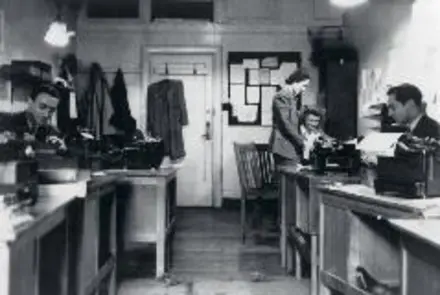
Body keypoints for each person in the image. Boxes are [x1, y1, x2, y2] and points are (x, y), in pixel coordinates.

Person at [0, 83, 66, 149]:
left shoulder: (53, 133)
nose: (46, 115)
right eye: (42, 107)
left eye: (52, 110)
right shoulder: (6, 123)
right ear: (30, 102)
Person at [269, 68, 311, 167]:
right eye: (303, 86)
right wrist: (302, 142)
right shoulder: (282, 96)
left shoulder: (291, 98)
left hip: (289, 146)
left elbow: (292, 121)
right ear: (295, 82)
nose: (304, 90)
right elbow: (286, 124)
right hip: (284, 147)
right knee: (289, 180)